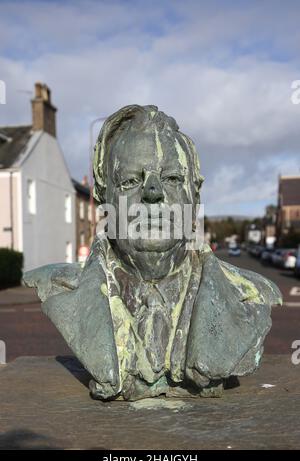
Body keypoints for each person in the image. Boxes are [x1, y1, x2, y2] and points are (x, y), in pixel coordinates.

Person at [24, 105, 282, 401]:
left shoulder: (254, 295)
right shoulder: (57, 287)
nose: (152, 193)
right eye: (131, 181)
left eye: (172, 178)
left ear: (195, 196)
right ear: (104, 196)